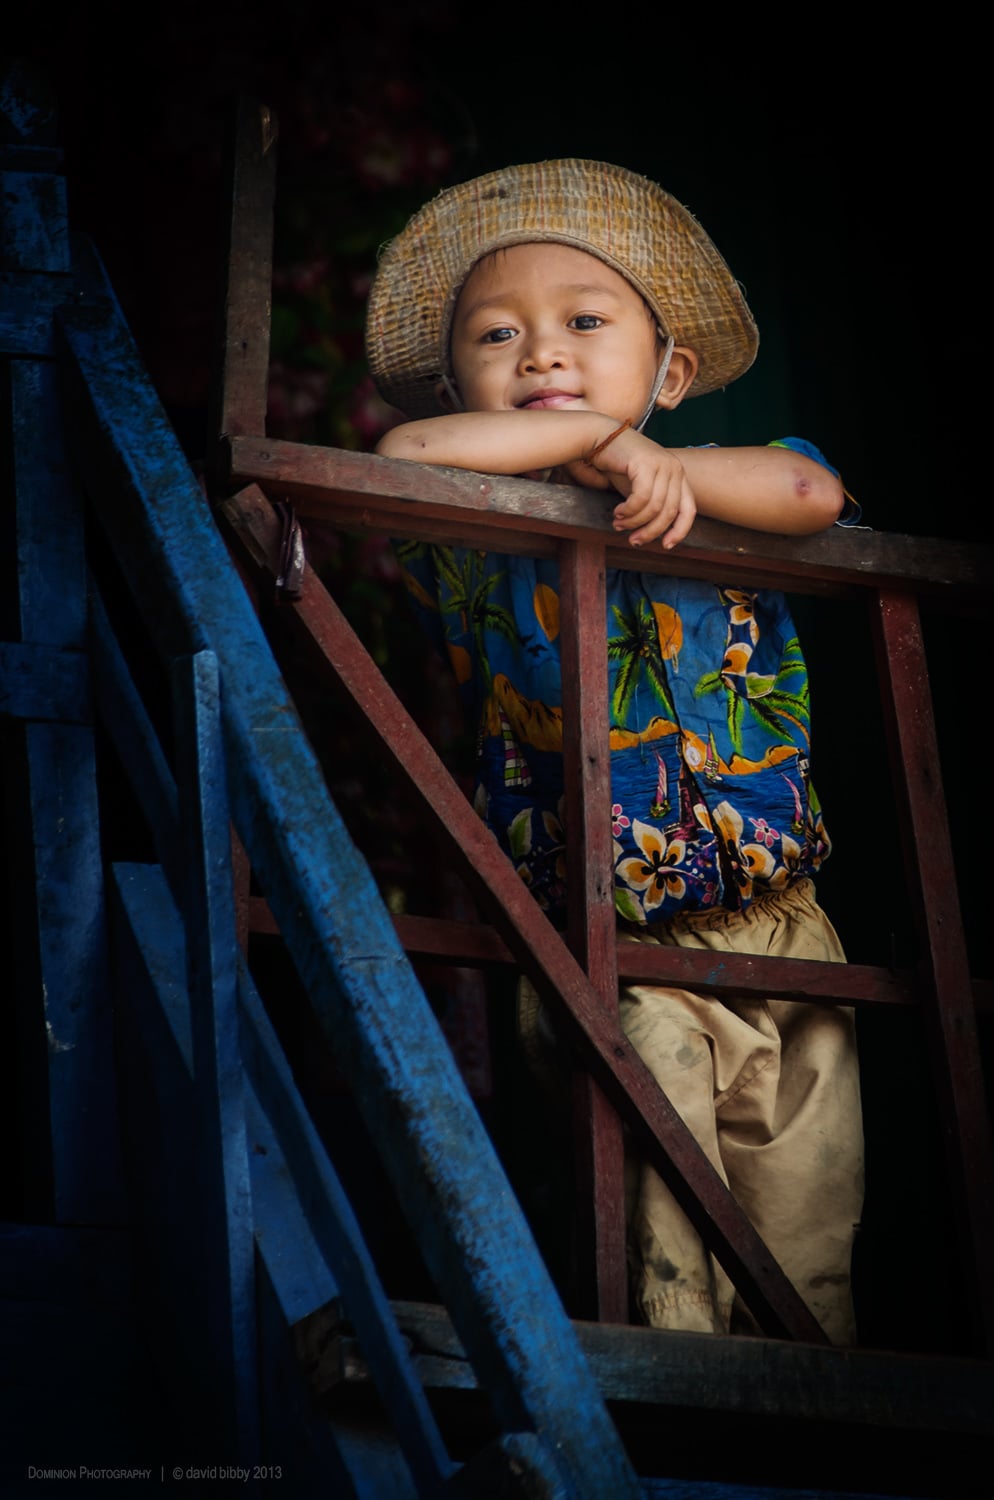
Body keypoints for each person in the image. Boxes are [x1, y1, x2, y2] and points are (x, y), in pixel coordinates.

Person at [364, 158, 864, 1344]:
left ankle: (814, 1413)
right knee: (661, 1208)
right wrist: (591, 437)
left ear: (672, 372)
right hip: (604, 933)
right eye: (499, 336)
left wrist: (658, 468)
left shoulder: (728, 492)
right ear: (464, 383)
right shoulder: (478, 533)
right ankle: (679, 1413)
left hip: (783, 923)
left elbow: (815, 488)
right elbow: (397, 453)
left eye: (584, 324)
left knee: (807, 1213)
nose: (541, 352)